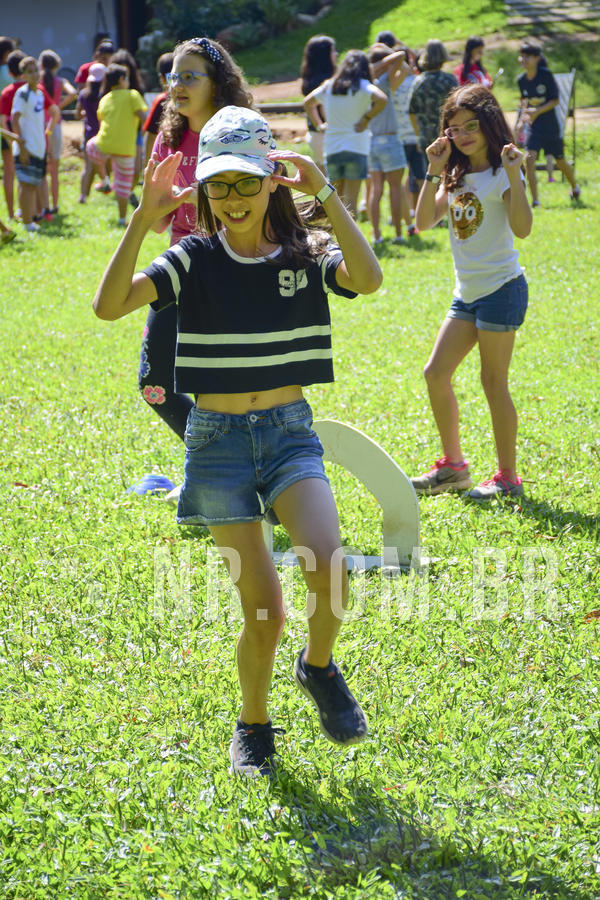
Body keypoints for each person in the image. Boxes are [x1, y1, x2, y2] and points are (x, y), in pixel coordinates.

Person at [93, 105, 382, 776]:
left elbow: (367, 279)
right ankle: (253, 722)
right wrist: (142, 217)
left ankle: (317, 669)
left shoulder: (305, 255)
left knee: (330, 565)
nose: (232, 199)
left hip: (286, 433)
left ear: (272, 182)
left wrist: (329, 196)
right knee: (264, 612)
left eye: (246, 183)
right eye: (218, 185)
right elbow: (110, 306)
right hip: (218, 441)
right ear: (204, 190)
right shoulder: (191, 258)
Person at [410, 85, 532, 500]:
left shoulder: (502, 171)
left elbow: (523, 228)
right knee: (435, 373)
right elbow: (423, 221)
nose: (462, 135)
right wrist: (432, 169)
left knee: (493, 382)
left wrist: (515, 174)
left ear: (489, 124)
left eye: (471, 126)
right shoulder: (455, 174)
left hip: (501, 289)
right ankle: (454, 468)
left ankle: (507, 478)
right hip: (468, 293)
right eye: (454, 128)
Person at [139, 37, 254, 446]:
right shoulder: (167, 138)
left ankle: (229, 475)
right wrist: (154, 201)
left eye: (190, 76)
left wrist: (203, 194)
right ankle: (215, 458)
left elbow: (260, 204)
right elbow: (156, 223)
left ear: (217, 83)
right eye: (174, 76)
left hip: (231, 269)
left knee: (215, 386)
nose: (178, 86)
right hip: (178, 267)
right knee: (154, 385)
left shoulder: (241, 132)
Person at [304, 50, 387, 217]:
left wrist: (319, 125)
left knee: (335, 200)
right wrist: (366, 118)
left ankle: (335, 240)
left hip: (333, 148)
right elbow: (382, 99)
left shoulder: (330, 85)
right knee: (350, 201)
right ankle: (351, 241)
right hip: (356, 147)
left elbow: (308, 103)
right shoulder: (363, 85)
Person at [517, 41, 580, 206]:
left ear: (537, 58)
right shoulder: (521, 80)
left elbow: (555, 100)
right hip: (533, 126)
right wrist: (521, 120)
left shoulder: (545, 75)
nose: (523, 59)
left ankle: (575, 187)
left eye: (527, 57)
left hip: (550, 125)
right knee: (529, 159)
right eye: (521, 56)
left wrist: (537, 111)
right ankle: (535, 200)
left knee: (560, 160)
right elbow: (524, 102)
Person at [85, 62, 147, 225]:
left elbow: (102, 120)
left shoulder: (105, 99)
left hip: (103, 145)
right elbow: (143, 118)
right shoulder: (132, 95)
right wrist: (141, 133)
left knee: (90, 148)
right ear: (121, 79)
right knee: (123, 186)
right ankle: (121, 219)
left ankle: (104, 180)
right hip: (125, 149)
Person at [366, 44, 409, 245]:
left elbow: (404, 67)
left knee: (376, 190)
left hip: (371, 140)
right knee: (395, 187)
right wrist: (386, 61)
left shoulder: (364, 84)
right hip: (390, 140)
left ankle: (377, 235)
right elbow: (401, 57)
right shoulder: (383, 81)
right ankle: (399, 234)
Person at [10, 56, 59, 232]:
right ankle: (27, 222)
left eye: (36, 70)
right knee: (26, 184)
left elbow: (54, 113)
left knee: (34, 183)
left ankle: (30, 219)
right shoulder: (22, 94)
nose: (34, 74)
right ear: (23, 75)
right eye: (29, 72)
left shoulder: (39, 93)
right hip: (26, 147)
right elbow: (14, 120)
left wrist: (48, 133)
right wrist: (21, 146)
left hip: (39, 147)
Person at [38, 50, 77, 216]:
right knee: (54, 169)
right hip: (56, 126)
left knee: (41, 169)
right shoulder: (60, 81)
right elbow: (73, 93)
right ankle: (54, 205)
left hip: (40, 126)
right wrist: (57, 107)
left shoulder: (38, 81)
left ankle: (42, 206)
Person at [110, 48, 146, 206]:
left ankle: (127, 191)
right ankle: (122, 197)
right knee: (121, 172)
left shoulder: (136, 90)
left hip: (135, 134)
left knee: (137, 172)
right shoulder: (109, 92)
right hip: (117, 135)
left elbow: (143, 117)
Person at [409, 40, 458, 154]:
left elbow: (412, 112)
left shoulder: (418, 81)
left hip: (427, 139)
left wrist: (418, 135)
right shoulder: (449, 80)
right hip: (449, 136)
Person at [300, 35, 337, 172]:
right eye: (332, 51)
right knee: (329, 183)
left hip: (316, 136)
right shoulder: (325, 82)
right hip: (323, 136)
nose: (336, 54)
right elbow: (322, 109)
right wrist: (322, 125)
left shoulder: (310, 78)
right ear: (324, 56)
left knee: (324, 182)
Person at [0, 47, 25, 219]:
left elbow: (2, 120)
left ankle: (11, 214)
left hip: (9, 135)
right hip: (24, 136)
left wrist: (10, 140)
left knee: (9, 172)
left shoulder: (7, 91)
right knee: (24, 173)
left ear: (9, 72)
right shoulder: (29, 89)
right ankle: (28, 212)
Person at [76, 62, 105, 202]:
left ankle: (83, 196)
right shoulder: (105, 95)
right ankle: (106, 185)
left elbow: (76, 114)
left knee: (87, 167)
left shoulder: (83, 94)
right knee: (105, 164)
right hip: (103, 134)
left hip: (88, 134)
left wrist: (84, 113)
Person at [142, 52, 174, 170]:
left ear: (161, 78)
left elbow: (151, 135)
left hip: (164, 159)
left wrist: (148, 166)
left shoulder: (161, 100)